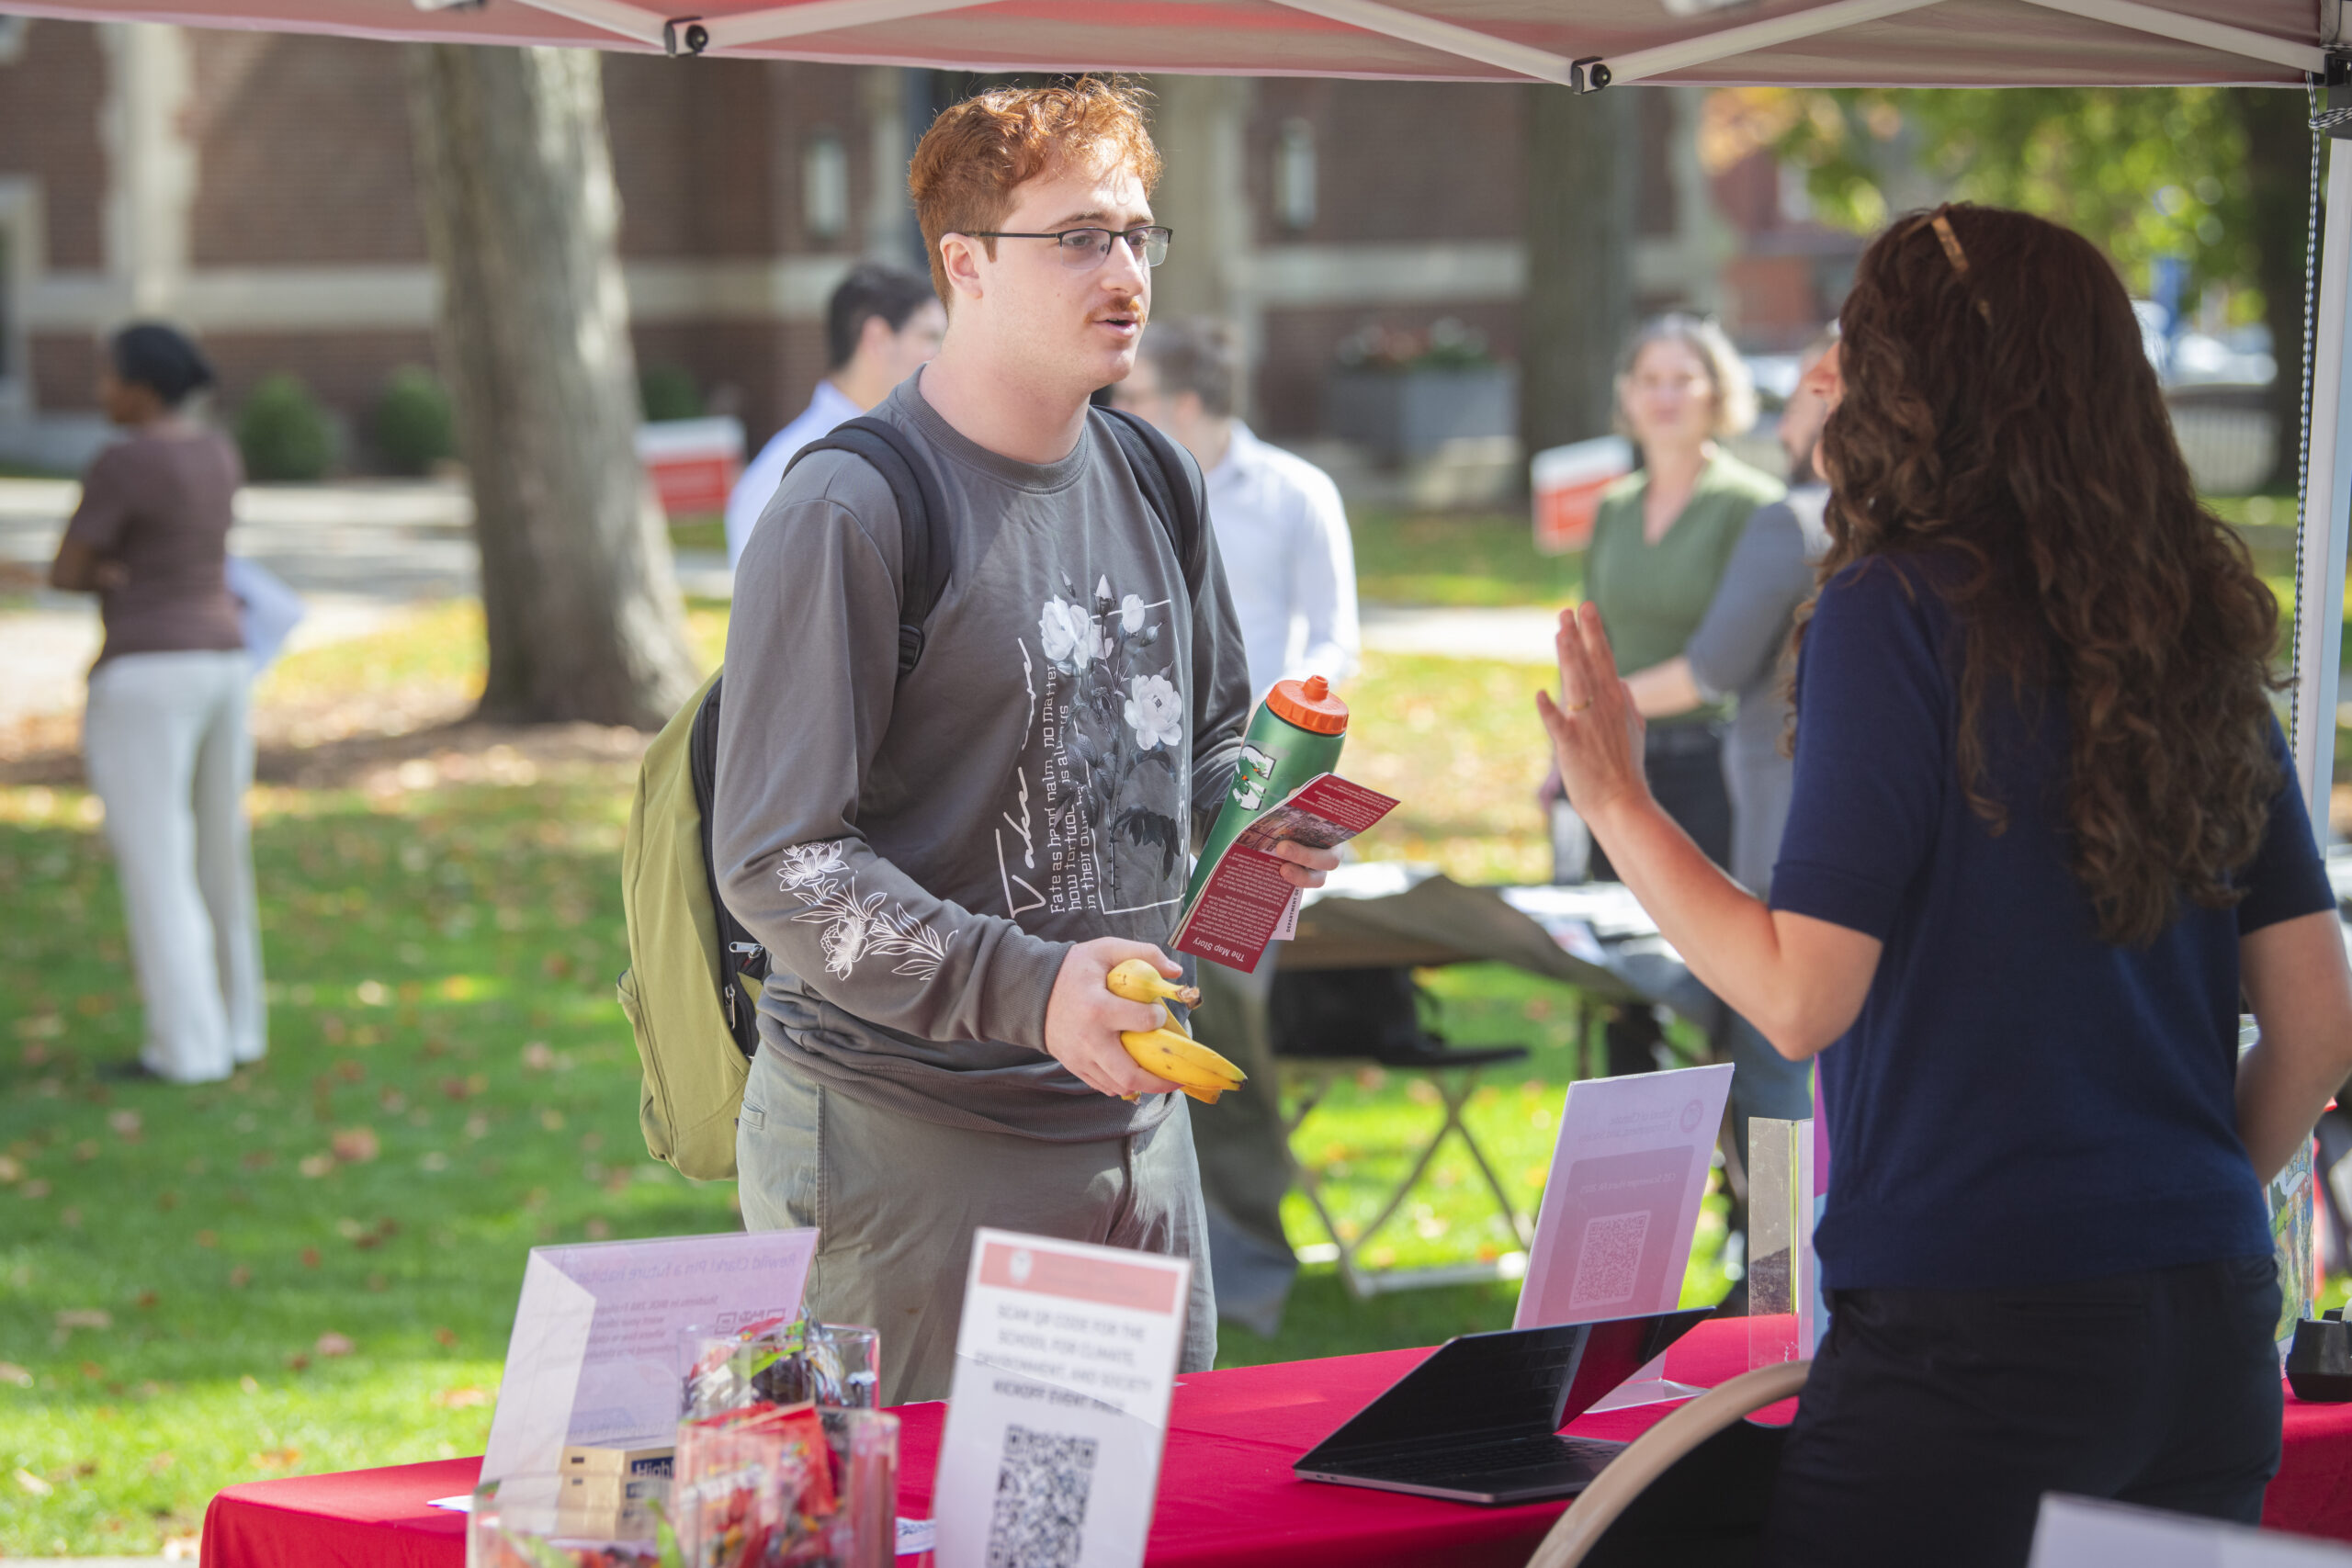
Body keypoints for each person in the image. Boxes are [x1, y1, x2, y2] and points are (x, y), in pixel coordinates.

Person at [1539, 203, 2352, 1566]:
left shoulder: (1893, 607)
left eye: (1852, 348)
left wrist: (1619, 801)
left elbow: (1800, 995)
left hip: (1975, 1331)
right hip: (2206, 1318)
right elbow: (2319, 1019)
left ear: (1919, 388)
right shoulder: (2189, 622)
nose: (1820, 380)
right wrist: (2185, 1192)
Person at [712, 79, 1338, 1407]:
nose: (1124, 272)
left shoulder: (1159, 474)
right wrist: (1032, 989)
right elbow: (778, 862)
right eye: (1080, 236)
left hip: (1136, 1125)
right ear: (965, 264)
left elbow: (1209, 739)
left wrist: (1262, 821)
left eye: (1138, 235)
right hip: (911, 1147)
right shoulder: (853, 503)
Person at [1112, 314, 1360, 1337]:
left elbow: (1334, 632)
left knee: (1236, 1039)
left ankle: (1249, 1272)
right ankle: (1139, 1261)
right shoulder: (1121, 487)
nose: (1113, 413)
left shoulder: (1297, 494)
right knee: (1136, 1028)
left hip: (1247, 803)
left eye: (1131, 397)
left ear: (1179, 403)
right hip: (1131, 800)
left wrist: (1279, 739)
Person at [1617, 335, 1837, 1203]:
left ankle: (1775, 1281)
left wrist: (1594, 719)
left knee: (1777, 1078)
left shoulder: (1791, 521)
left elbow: (1712, 666)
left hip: (1781, 836)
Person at [49, 322, 266, 1085]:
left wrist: (107, 570)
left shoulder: (123, 461)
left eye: (109, 377)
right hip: (224, 660)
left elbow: (67, 568)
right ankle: (238, 1030)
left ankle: (185, 1049)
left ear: (141, 387)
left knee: (157, 863)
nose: (102, 391)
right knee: (218, 854)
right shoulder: (218, 451)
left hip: (145, 672)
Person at [1572, 314, 1782, 1078]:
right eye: (1649, 380)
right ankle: (1638, 1195)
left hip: (1711, 774)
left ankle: (1748, 1191)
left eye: (1682, 379)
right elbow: (1591, 639)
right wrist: (1566, 752)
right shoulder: (1615, 506)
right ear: (1627, 396)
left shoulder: (1750, 505)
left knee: (1728, 991)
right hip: (1616, 768)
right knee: (1625, 991)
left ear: (1716, 394)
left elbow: (1714, 666)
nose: (1665, 396)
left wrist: (1600, 707)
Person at [721, 262, 945, 570]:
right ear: (877, 338)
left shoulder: (918, 446)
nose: (942, 356)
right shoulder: (789, 472)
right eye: (930, 337)